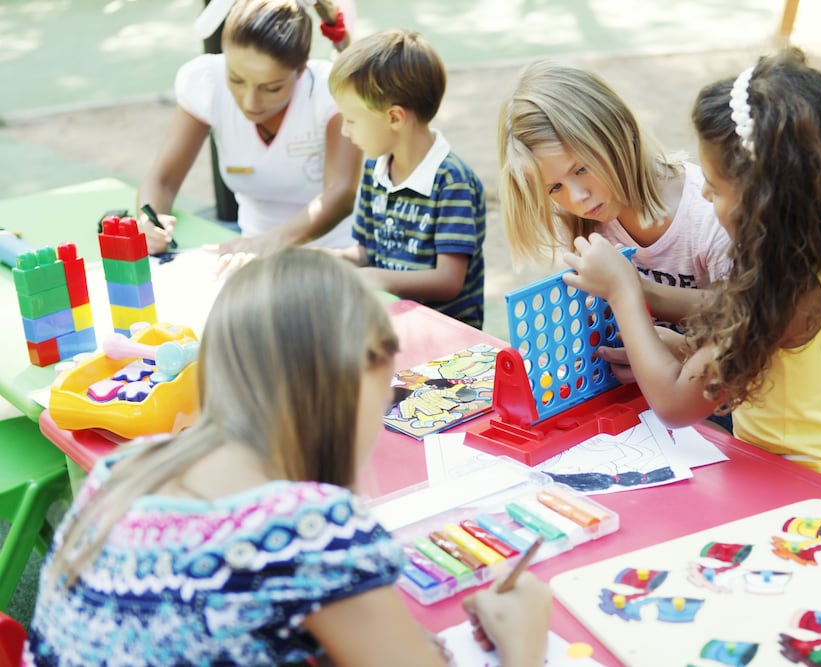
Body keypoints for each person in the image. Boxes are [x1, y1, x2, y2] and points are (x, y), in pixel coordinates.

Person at [24, 248, 552, 666]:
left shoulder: (127, 469)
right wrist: (524, 642)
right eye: (387, 388)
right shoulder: (309, 528)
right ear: (351, 380)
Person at [562, 48, 821, 527]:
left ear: (762, 197)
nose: (703, 193)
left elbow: (673, 404)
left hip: (807, 504)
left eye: (713, 184)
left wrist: (625, 291)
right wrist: (681, 334)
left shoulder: (776, 294)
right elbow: (778, 356)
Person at [498, 60, 731, 329]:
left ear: (619, 130)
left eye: (582, 168)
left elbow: (746, 315)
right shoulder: (581, 222)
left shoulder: (710, 211)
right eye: (555, 187)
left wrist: (631, 289)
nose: (577, 197)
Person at [136, 0, 363, 266]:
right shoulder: (206, 82)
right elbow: (162, 180)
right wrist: (147, 222)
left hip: (337, 256)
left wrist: (267, 243)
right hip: (245, 253)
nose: (250, 102)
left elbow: (341, 193)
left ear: (302, 69)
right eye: (236, 79)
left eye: (272, 88)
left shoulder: (330, 91)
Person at [327, 29, 488, 330]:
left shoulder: (451, 181)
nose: (345, 132)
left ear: (395, 118)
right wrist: (331, 259)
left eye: (351, 120)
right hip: (392, 325)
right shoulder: (375, 168)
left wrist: (378, 278)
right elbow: (368, 252)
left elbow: (448, 281)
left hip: (447, 340)